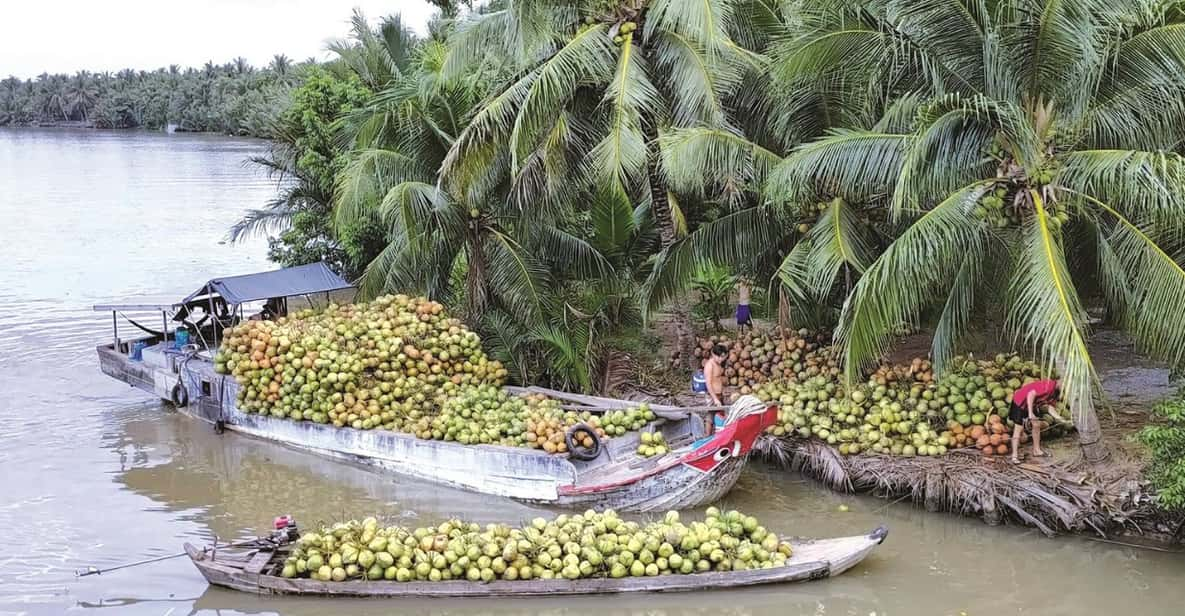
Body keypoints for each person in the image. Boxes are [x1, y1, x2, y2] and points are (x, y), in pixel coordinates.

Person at [1009, 379, 1063, 464]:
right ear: (1060, 382)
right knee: (1018, 429)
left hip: (1033, 403)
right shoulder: (1049, 386)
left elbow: (1050, 407)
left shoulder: (1056, 392)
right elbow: (1031, 394)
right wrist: (1030, 413)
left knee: (1036, 425)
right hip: (1020, 402)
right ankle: (1014, 456)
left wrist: (1059, 418)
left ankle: (1036, 451)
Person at [702, 344, 728, 433]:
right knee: (710, 417)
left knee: (721, 415)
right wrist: (715, 399)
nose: (721, 359)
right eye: (719, 357)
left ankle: (719, 436)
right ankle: (707, 438)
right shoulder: (709, 365)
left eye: (723, 357)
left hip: (719, 394)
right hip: (712, 395)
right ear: (713, 355)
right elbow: (708, 384)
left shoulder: (720, 364)